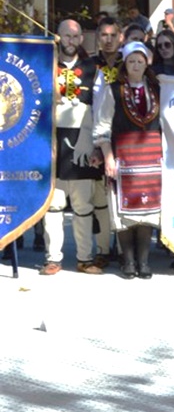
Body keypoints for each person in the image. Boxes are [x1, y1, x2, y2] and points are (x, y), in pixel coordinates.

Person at [42, 19, 107, 276]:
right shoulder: (45, 67)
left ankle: (85, 258)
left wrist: (98, 146)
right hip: (52, 146)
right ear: (58, 38)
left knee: (83, 207)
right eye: (66, 36)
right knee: (54, 206)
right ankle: (53, 259)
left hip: (83, 145)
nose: (71, 40)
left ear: (81, 39)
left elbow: (101, 111)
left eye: (75, 35)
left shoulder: (94, 70)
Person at [94, 42, 162, 280]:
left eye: (140, 61)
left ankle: (144, 261)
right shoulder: (113, 90)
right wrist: (107, 156)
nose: (135, 65)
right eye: (131, 61)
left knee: (148, 212)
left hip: (151, 157)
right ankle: (128, 261)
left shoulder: (157, 89)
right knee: (123, 214)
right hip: (123, 156)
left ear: (147, 63)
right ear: (125, 63)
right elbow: (102, 125)